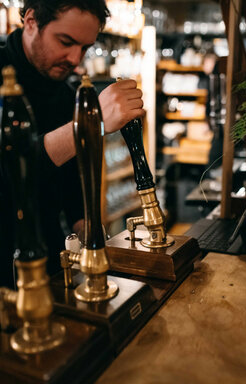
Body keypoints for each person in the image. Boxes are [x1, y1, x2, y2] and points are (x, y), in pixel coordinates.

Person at [0, 0, 145, 288]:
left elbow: (70, 181)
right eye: (65, 41)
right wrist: (90, 122)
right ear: (31, 22)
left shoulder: (67, 93)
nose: (75, 59)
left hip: (52, 259)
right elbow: (8, 174)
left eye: (85, 48)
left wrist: (86, 226)